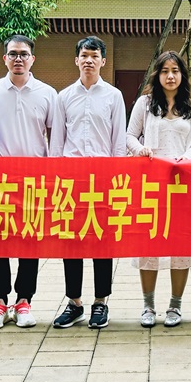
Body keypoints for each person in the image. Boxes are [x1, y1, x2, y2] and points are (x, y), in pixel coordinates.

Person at [0, 35, 56, 331]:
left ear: (33, 59)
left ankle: (24, 301)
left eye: (23, 54)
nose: (18, 59)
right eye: (13, 54)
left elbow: (55, 136)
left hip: (35, 179)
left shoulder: (47, 93)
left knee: (29, 242)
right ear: (5, 59)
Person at [49, 36, 127, 330]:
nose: (89, 60)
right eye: (84, 55)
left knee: (101, 241)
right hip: (71, 177)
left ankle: (100, 302)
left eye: (94, 56)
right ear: (76, 60)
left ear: (103, 61)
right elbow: (57, 141)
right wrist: (55, 177)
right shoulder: (64, 96)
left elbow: (118, 141)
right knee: (71, 242)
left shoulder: (113, 96)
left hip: (103, 177)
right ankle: (74, 302)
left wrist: (117, 178)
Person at [126, 51, 191, 328]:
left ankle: (175, 305)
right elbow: (129, 136)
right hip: (150, 183)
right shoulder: (145, 104)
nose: (170, 76)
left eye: (175, 71)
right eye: (164, 71)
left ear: (183, 74)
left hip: (182, 183)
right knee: (149, 244)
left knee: (180, 245)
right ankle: (148, 306)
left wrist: (188, 156)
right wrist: (140, 149)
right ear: (157, 75)